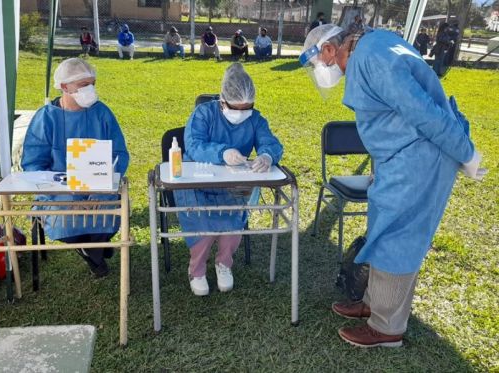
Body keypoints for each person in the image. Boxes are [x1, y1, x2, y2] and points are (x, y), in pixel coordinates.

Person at [299, 24, 484, 347]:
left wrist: (465, 152)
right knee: (382, 230)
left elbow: (424, 112)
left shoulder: (372, 58)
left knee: (397, 238)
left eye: (320, 63)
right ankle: (374, 304)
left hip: (419, 160)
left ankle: (387, 328)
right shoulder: (371, 50)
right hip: (401, 158)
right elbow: (390, 117)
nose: (324, 72)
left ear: (329, 49)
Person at [174, 63, 283, 296]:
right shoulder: (203, 113)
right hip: (197, 183)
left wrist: (267, 155)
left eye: (248, 108)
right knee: (202, 224)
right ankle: (197, 270)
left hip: (232, 183)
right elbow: (194, 145)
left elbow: (270, 141)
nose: (242, 113)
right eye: (236, 108)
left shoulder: (255, 119)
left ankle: (224, 264)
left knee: (233, 220)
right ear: (222, 101)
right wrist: (221, 153)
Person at [21, 58, 129, 278]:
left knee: (106, 212)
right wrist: (64, 187)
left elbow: (119, 153)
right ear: (64, 87)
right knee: (67, 219)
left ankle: (96, 245)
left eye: (92, 84)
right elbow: (34, 163)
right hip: (59, 190)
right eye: (83, 85)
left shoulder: (102, 113)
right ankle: (93, 252)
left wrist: (103, 181)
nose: (90, 90)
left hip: (99, 186)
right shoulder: (46, 118)